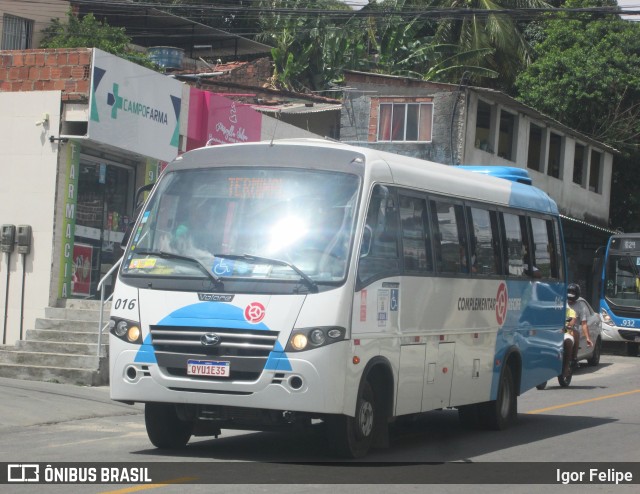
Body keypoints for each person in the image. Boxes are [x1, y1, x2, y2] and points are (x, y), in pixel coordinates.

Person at [567, 283, 593, 366]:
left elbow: (584, 324)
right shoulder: (561, 303)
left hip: (572, 329)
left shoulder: (581, 307)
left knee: (575, 333)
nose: (571, 294)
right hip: (560, 328)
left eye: (573, 292)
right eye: (569, 292)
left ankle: (574, 358)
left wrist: (588, 338)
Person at [562, 305, 577, 379]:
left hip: (565, 333)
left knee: (568, 342)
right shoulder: (552, 310)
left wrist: (568, 326)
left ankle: (566, 367)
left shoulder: (571, 311)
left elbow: (571, 322)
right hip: (553, 334)